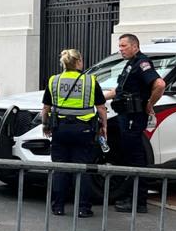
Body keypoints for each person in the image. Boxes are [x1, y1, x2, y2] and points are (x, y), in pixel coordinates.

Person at [103, 33, 165, 213]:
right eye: (120, 46)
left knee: (136, 159)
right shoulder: (131, 64)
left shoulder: (142, 63)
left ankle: (138, 202)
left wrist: (149, 104)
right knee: (129, 157)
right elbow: (120, 90)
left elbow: (160, 84)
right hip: (126, 116)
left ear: (135, 46)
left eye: (124, 46)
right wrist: (98, 97)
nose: (120, 49)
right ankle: (131, 197)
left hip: (133, 118)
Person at [42, 49, 106, 218]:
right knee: (82, 168)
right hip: (84, 130)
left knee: (60, 168)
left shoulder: (54, 80)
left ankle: (58, 207)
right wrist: (104, 126)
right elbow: (101, 108)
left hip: (60, 129)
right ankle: (83, 208)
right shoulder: (90, 81)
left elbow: (46, 108)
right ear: (78, 62)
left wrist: (45, 125)